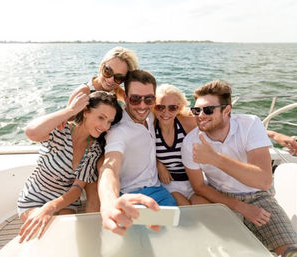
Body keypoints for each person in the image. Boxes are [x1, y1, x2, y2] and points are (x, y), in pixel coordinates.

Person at [181, 80, 297, 256]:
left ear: (226, 110)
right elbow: (199, 187)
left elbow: (264, 180)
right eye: (196, 110)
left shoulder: (250, 125)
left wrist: (215, 158)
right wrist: (240, 207)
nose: (200, 115)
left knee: (292, 252)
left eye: (207, 110)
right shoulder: (190, 142)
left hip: (260, 196)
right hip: (220, 199)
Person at [17, 91, 122, 243]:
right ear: (85, 112)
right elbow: (32, 132)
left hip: (64, 201)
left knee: (66, 236)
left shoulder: (94, 149)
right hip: (35, 198)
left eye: (109, 121)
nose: (105, 126)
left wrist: (50, 207)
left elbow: (77, 189)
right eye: (101, 118)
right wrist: (70, 111)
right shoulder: (60, 130)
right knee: (44, 232)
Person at [98, 70, 177, 236]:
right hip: (131, 196)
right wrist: (108, 202)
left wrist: (158, 162)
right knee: (139, 240)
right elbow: (110, 167)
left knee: (173, 233)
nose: (142, 105)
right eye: (135, 99)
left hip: (159, 191)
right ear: (126, 98)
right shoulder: (119, 131)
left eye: (148, 99)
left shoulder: (151, 116)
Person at [154, 84, 209, 205]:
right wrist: (158, 164)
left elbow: (213, 123)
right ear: (154, 107)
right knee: (187, 212)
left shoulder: (186, 124)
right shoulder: (152, 127)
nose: (165, 112)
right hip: (170, 185)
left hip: (193, 181)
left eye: (172, 108)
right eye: (160, 107)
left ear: (179, 108)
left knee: (205, 211)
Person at [69, 46, 138, 103]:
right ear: (101, 65)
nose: (110, 80)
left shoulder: (115, 89)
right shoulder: (83, 92)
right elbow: (68, 118)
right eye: (107, 71)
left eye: (119, 77)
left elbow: (133, 104)